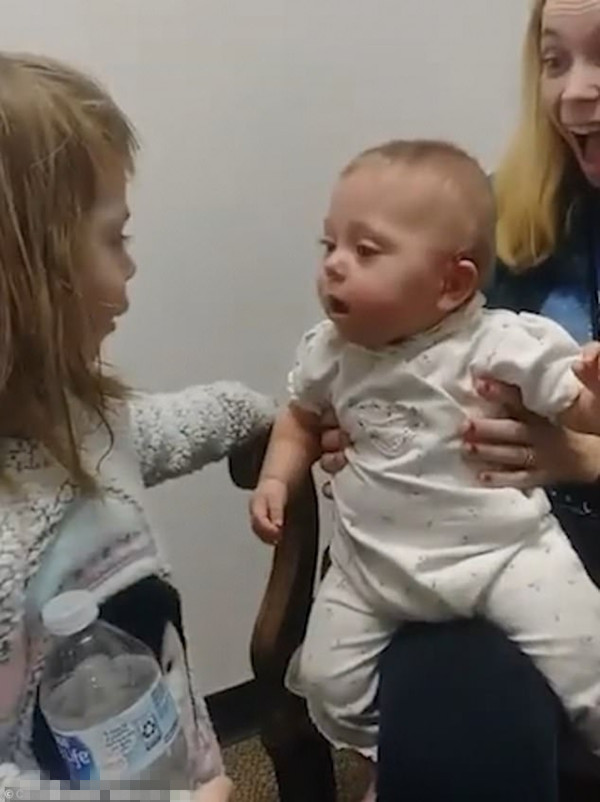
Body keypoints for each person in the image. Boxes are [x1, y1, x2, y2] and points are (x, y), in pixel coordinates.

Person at [250, 136, 600, 794]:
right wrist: (277, 476)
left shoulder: (500, 342)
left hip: (504, 556)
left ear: (452, 284)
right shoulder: (329, 352)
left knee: (589, 660)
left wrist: (590, 395)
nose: (334, 266)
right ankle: (384, 756)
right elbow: (298, 417)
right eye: (329, 246)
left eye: (365, 251)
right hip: (373, 566)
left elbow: (574, 406)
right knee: (326, 683)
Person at [320, 1, 600, 799]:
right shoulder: (498, 215)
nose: (575, 92)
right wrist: (361, 422)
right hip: (487, 535)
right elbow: (401, 357)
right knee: (452, 699)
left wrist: (584, 457)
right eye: (554, 60)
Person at [0, 53, 278, 802]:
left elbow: (163, 429)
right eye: (114, 238)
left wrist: (271, 412)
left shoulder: (81, 423)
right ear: (30, 272)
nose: (131, 265)